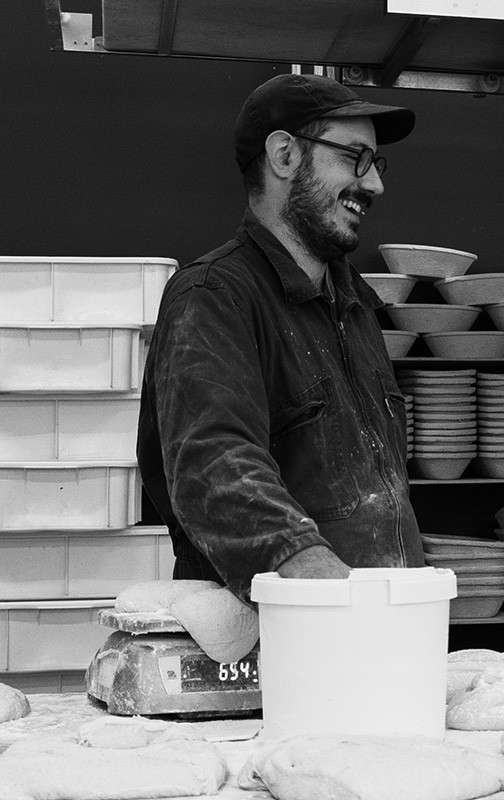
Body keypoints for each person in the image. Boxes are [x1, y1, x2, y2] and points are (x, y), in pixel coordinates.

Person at [137, 74, 423, 602]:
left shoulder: (354, 306)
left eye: (376, 163)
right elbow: (213, 463)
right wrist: (317, 578)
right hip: (275, 635)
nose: (374, 184)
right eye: (354, 157)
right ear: (284, 155)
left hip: (374, 625)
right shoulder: (214, 296)